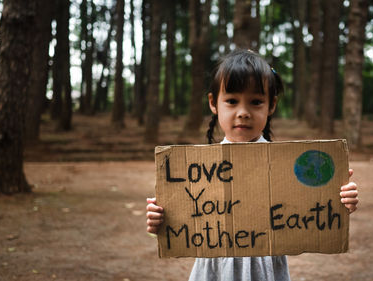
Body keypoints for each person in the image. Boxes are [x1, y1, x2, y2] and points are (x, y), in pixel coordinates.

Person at [146, 49, 359, 281]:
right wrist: (160, 219)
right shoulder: (197, 170)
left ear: (271, 105)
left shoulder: (285, 164)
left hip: (264, 269)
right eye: (232, 101)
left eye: (256, 102)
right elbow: (180, 221)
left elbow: (312, 204)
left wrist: (342, 198)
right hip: (215, 270)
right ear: (213, 103)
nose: (243, 113)